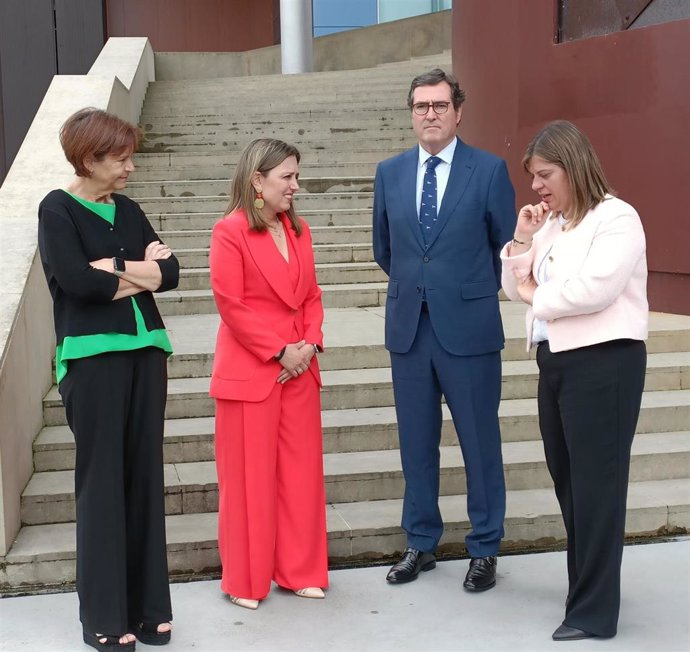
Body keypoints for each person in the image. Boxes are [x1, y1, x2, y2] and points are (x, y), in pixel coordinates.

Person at [501, 120, 648, 641]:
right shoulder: (553, 225)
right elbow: (513, 279)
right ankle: (587, 589)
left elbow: (594, 290)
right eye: (534, 177)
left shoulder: (617, 218)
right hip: (558, 361)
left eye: (545, 175)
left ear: (573, 165)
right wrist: (522, 236)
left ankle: (593, 612)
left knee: (596, 488)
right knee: (569, 482)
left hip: (605, 364)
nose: (537, 187)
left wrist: (532, 292)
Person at [37, 108, 178, 650]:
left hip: (148, 353)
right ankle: (103, 616)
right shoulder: (57, 209)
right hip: (92, 360)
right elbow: (76, 282)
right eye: (120, 159)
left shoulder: (129, 208)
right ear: (89, 158)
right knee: (102, 484)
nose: (131, 168)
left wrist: (113, 270)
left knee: (144, 478)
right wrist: (137, 271)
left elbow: (172, 273)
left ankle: (148, 610)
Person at [373, 69, 516, 591]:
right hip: (410, 329)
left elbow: (507, 248)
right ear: (411, 112)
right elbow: (384, 249)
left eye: (438, 105)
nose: (429, 114)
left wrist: (459, 290)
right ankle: (421, 543)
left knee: (480, 442)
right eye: (420, 105)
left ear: (458, 111)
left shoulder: (489, 170)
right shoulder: (389, 173)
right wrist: (423, 287)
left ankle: (484, 547)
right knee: (416, 443)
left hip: (470, 329)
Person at [209, 138, 328, 610]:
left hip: (301, 368)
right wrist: (280, 351)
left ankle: (299, 571)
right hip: (253, 372)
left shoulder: (299, 230)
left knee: (301, 477)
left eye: (297, 176)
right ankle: (245, 579)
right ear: (258, 180)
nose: (295, 186)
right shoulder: (230, 231)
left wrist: (310, 345)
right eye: (288, 177)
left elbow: (313, 294)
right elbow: (230, 304)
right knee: (246, 482)